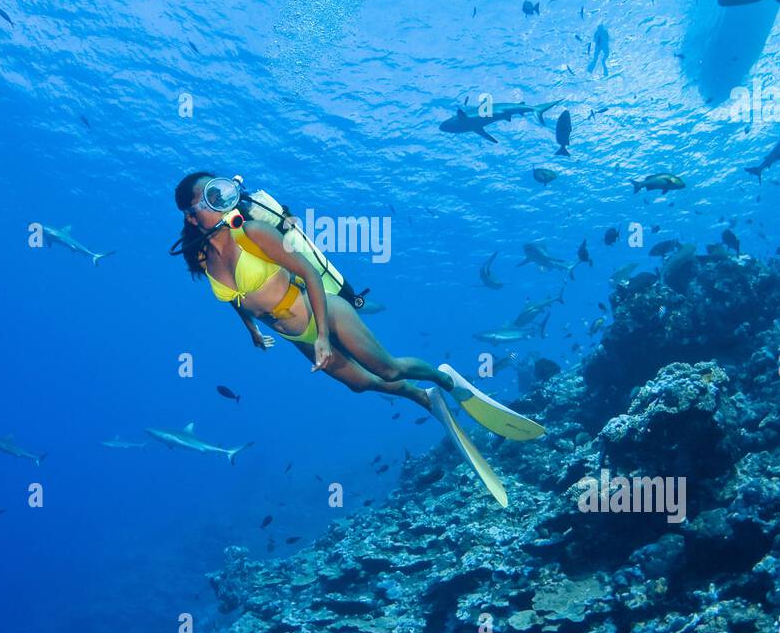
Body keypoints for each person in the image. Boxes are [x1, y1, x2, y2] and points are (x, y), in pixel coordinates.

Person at [170, 172, 548, 506]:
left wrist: (322, 337)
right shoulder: (203, 259)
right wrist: (252, 330)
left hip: (326, 312)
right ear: (190, 214)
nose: (220, 202)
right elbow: (236, 299)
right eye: (210, 198)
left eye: (219, 193)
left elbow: (311, 276)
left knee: (387, 367)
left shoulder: (253, 233)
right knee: (360, 385)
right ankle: (422, 397)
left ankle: (445, 379)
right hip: (295, 335)